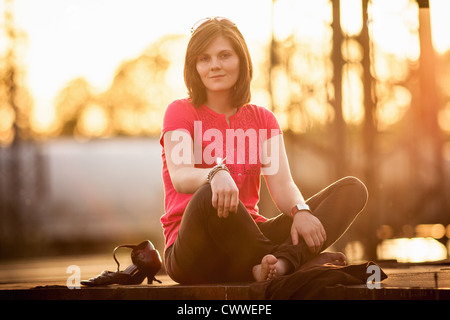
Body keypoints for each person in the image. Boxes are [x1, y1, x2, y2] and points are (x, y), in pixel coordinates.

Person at [160, 17, 368, 284]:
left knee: (351, 189)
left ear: (241, 60)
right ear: (194, 66)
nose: (214, 65)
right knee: (208, 195)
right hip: (193, 252)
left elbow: (283, 185)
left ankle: (277, 265)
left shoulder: (262, 119)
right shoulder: (180, 111)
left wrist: (301, 211)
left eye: (224, 55)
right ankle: (293, 262)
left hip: (248, 241)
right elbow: (180, 176)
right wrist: (215, 174)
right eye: (204, 58)